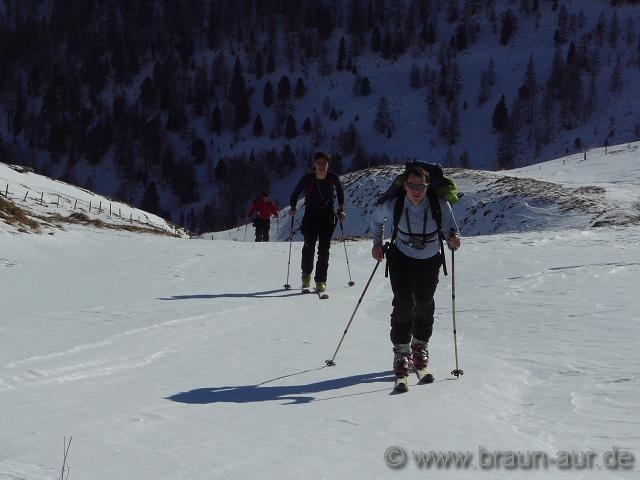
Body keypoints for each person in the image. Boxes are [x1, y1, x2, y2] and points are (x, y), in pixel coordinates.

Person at [371, 166, 461, 379]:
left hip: (429, 260)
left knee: (424, 301)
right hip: (400, 258)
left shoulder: (440, 205)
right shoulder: (395, 204)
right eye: (412, 185)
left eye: (421, 186)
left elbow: (451, 229)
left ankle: (419, 346)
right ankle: (402, 351)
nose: (417, 190)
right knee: (403, 302)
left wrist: (453, 239)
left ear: (428, 186)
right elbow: (376, 218)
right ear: (405, 186)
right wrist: (376, 243)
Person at [289, 151, 346, 293]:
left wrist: (341, 209)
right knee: (309, 247)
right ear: (314, 164)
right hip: (311, 217)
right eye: (319, 162)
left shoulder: (332, 178)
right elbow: (295, 194)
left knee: (324, 250)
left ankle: (321, 280)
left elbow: (340, 193)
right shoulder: (308, 179)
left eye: (324, 163)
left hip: (327, 218)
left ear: (328, 164)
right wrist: (293, 207)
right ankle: (306, 276)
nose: (321, 165)